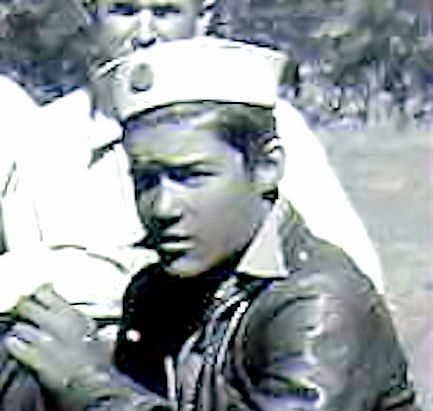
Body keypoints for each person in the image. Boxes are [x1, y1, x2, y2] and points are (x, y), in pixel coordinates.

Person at [5, 37, 432, 411]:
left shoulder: (321, 303)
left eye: (191, 176)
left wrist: (88, 383)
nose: (163, 207)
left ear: (267, 167)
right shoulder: (158, 291)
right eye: (145, 179)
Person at [0, 0, 384, 321]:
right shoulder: (46, 137)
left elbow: (351, 282)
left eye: (165, 12)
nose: (144, 33)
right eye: (124, 11)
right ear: (90, 13)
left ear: (204, 16)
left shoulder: (262, 121)